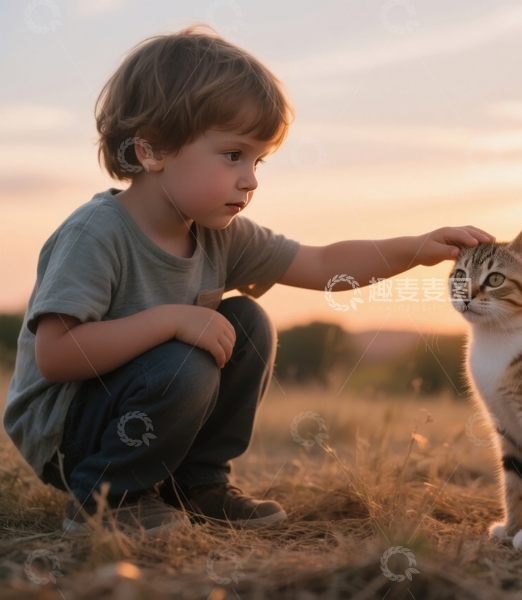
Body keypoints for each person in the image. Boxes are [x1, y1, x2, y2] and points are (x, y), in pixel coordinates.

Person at [3, 25, 494, 535]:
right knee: (181, 362)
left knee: (247, 322)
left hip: (139, 412)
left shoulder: (220, 234)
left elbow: (323, 264)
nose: (251, 179)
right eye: (233, 155)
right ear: (151, 151)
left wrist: (415, 248)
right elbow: (56, 356)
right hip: (69, 435)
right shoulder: (96, 233)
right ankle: (105, 500)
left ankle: (197, 486)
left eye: (258, 161)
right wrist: (171, 320)